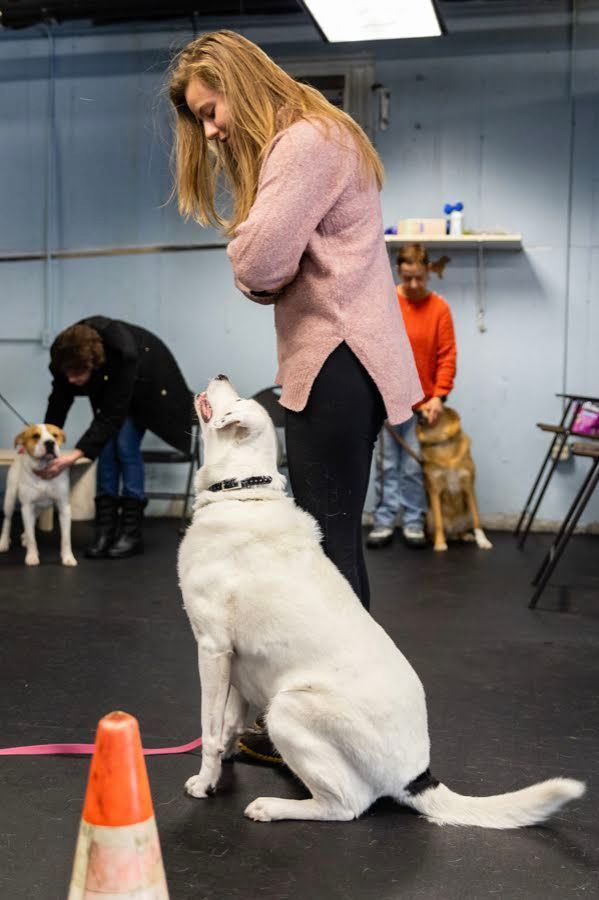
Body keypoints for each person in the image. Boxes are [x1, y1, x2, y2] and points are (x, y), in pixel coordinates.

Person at [168, 30, 422, 761]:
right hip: (340, 364)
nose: (211, 130)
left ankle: (339, 729)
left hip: (339, 362)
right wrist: (261, 265)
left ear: (239, 86)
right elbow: (270, 266)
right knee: (332, 546)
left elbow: (261, 258)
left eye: (210, 111)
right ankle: (343, 720)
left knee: (326, 557)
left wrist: (246, 258)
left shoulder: (305, 141)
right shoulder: (317, 136)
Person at [40, 316, 192, 559]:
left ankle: (131, 533)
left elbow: (111, 415)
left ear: (93, 363)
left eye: (78, 373)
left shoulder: (122, 354)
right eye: (67, 373)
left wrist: (75, 455)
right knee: (107, 448)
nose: (71, 379)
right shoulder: (65, 355)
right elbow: (59, 399)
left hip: (147, 384)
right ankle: (105, 530)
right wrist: (46, 441)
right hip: (114, 386)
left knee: (124, 444)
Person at [367, 244, 457, 549]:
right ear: (399, 272)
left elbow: (447, 356)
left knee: (414, 467)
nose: (415, 285)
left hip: (424, 406)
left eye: (420, 278)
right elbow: (374, 349)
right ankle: (383, 521)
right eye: (408, 278)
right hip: (388, 403)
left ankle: (414, 522)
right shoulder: (386, 302)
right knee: (387, 466)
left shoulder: (440, 308)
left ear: (428, 272)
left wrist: (439, 397)